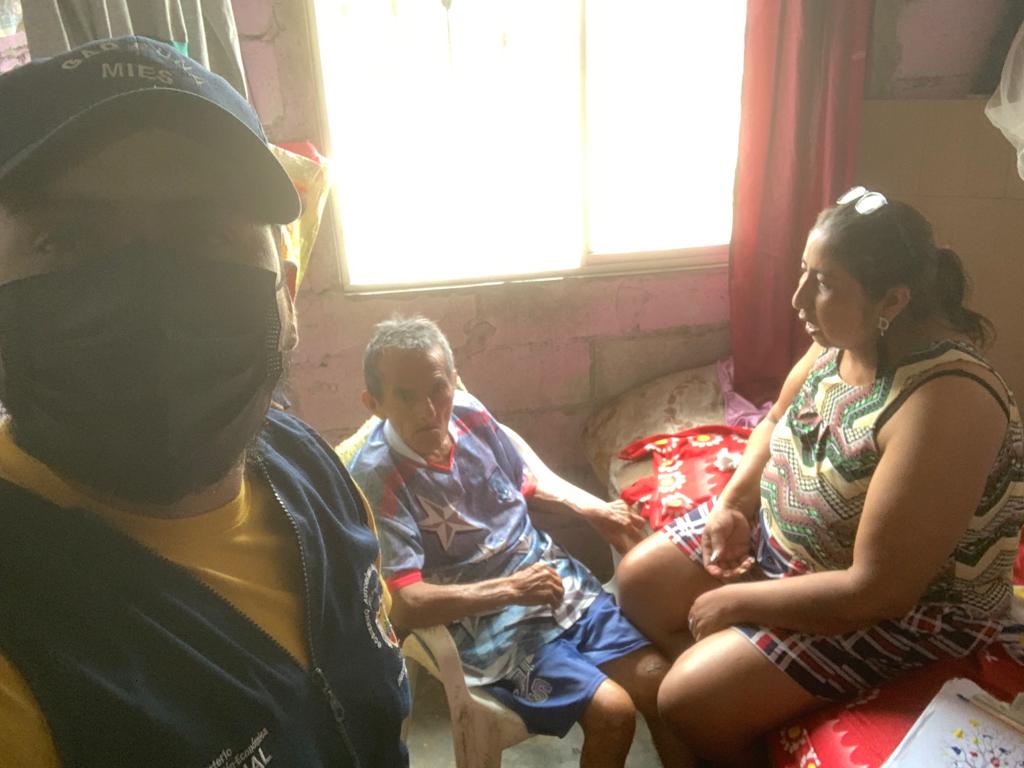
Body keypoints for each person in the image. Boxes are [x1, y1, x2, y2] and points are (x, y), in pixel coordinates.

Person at [0, 37, 409, 767]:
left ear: (287, 296)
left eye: (205, 233)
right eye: (70, 238)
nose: (149, 294)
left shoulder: (309, 467)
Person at [616, 186, 1024, 766]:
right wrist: (734, 504)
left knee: (688, 697)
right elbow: (775, 420)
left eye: (824, 282)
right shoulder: (840, 339)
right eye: (804, 271)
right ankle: (736, 706)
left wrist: (736, 602)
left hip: (900, 612)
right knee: (637, 582)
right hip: (790, 549)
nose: (798, 298)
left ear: (893, 300)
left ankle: (722, 716)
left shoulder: (947, 401)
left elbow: (878, 590)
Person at [346, 316, 687, 768]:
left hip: (555, 584)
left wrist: (591, 509)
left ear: (453, 380)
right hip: (490, 630)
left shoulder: (468, 413)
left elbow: (522, 483)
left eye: (438, 389)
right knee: (614, 713)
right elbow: (405, 604)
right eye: (406, 396)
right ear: (374, 404)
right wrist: (511, 589)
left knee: (661, 685)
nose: (428, 410)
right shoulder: (377, 477)